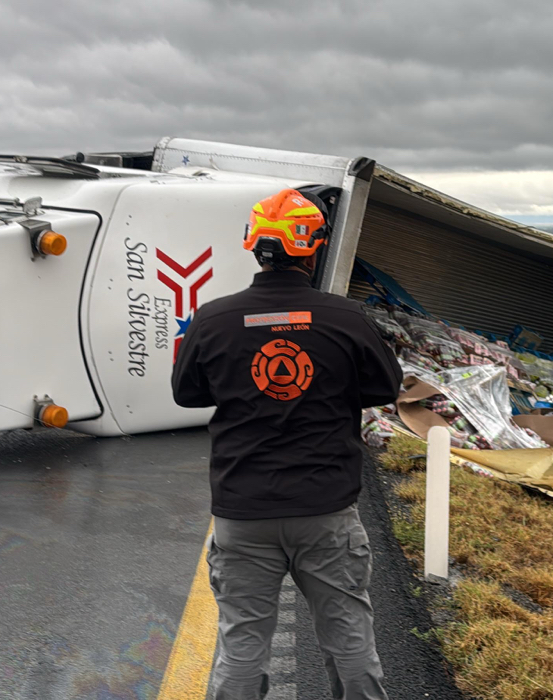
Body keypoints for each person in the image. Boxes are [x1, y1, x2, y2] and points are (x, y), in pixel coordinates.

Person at [171, 187, 404, 700]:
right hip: (326, 510)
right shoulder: (346, 318)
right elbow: (386, 386)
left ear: (254, 246)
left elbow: (187, 394)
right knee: (348, 636)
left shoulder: (212, 319)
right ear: (314, 248)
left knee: (242, 644)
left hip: (243, 509)